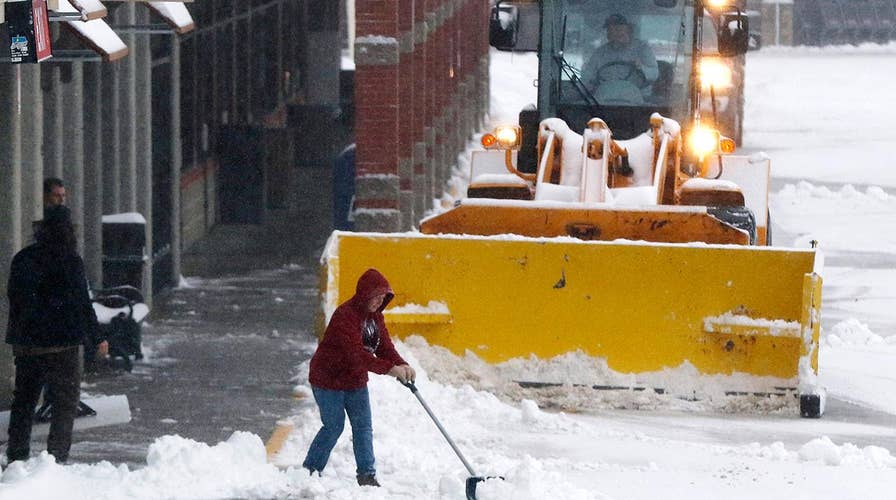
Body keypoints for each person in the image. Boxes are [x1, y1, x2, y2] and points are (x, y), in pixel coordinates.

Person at [5, 205, 108, 464]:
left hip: (28, 344)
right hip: (62, 345)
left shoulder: (23, 258)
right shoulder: (71, 261)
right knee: (65, 403)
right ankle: (56, 459)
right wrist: (97, 337)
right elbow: (83, 304)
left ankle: (17, 456)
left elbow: (14, 297)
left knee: (24, 401)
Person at [302, 268, 416, 488]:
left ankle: (367, 475)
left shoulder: (375, 318)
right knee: (334, 426)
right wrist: (391, 370)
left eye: (383, 297)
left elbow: (384, 348)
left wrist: (402, 363)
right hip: (328, 379)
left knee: (363, 427)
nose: (380, 301)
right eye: (376, 296)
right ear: (364, 294)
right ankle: (311, 470)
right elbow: (357, 356)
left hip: (354, 380)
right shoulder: (345, 316)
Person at [583, 13, 659, 102]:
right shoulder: (600, 53)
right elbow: (586, 78)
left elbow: (654, 74)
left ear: (629, 31)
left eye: (618, 29)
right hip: (604, 101)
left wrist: (641, 67)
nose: (613, 33)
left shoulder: (643, 49)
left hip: (638, 102)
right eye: (610, 30)